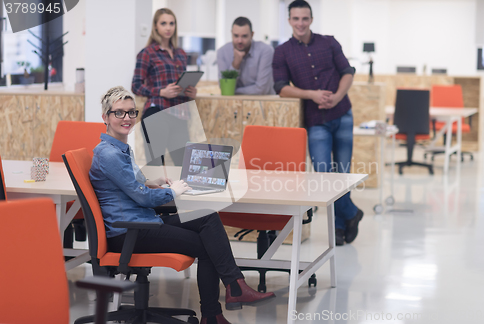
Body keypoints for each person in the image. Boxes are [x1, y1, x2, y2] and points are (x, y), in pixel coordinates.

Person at [90, 86, 275, 324]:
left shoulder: (118, 148)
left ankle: (233, 286)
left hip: (141, 221)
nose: (127, 118)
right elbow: (143, 199)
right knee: (208, 246)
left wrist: (151, 182)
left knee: (207, 216)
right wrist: (171, 192)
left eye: (131, 112)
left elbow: (129, 183)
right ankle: (214, 312)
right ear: (105, 117)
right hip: (130, 231)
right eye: (119, 113)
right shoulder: (110, 154)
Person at [272, 0, 363, 246]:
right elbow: (281, 88)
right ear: (289, 20)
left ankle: (340, 229)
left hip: (343, 114)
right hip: (315, 121)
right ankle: (352, 213)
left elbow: (347, 71)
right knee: (324, 176)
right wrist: (312, 94)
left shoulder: (329, 42)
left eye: (305, 18)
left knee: (342, 175)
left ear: (311, 19)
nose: (300, 23)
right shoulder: (282, 52)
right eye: (295, 19)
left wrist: (337, 97)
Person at [132, 8, 195, 166]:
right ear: (155, 27)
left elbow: (180, 82)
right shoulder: (147, 53)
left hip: (179, 115)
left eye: (171, 23)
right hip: (157, 113)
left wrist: (190, 91)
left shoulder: (180, 53)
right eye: (164, 23)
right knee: (156, 167)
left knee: (183, 167)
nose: (168, 27)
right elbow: (136, 86)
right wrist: (161, 92)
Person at [217, 17, 275, 95]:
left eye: (244, 36)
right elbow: (223, 87)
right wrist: (236, 64)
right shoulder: (222, 52)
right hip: (233, 105)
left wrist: (233, 92)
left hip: (263, 104)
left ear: (252, 34)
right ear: (231, 33)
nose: (239, 41)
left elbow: (262, 89)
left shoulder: (265, 51)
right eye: (236, 36)